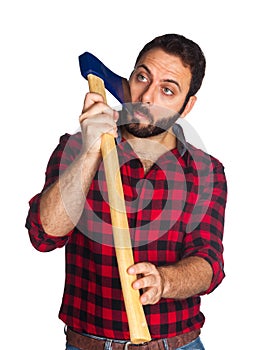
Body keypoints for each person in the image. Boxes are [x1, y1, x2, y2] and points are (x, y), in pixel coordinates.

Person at [26, 34, 227, 350]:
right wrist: (91, 151)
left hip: (177, 343)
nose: (146, 97)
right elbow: (45, 235)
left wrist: (165, 281)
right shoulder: (75, 148)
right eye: (142, 77)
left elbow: (209, 261)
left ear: (187, 106)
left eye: (167, 90)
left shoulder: (206, 171)